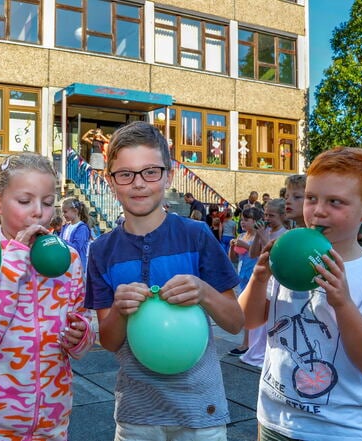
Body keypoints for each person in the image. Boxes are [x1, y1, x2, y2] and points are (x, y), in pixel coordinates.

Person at [85, 121, 243, 440]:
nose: (139, 184)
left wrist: (203, 292)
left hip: (201, 414)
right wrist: (119, 308)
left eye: (150, 171)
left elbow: (235, 322)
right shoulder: (101, 251)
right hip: (136, 416)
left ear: (168, 175)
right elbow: (110, 341)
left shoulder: (196, 236)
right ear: (110, 181)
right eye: (125, 174)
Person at [238, 147, 362, 440]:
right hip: (274, 419)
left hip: (340, 429)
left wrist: (342, 303)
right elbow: (247, 321)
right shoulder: (287, 257)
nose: (318, 210)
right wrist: (259, 277)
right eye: (311, 198)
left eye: (336, 202)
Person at [0, 153, 94, 440]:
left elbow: (83, 322)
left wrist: (81, 336)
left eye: (47, 203)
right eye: (24, 201)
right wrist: (16, 260)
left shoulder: (67, 259)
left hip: (52, 423)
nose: (38, 213)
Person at [239, 199, 287, 368]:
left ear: (282, 216)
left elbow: (275, 256)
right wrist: (259, 236)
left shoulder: (284, 234)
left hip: (275, 280)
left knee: (268, 320)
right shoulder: (264, 231)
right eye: (265, 214)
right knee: (256, 319)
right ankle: (254, 349)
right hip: (262, 280)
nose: (267, 218)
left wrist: (264, 236)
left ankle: (264, 352)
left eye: (271, 215)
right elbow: (253, 254)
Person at [227, 206, 264, 357]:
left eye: (246, 220)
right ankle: (248, 342)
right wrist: (232, 248)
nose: (243, 222)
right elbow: (233, 259)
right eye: (242, 219)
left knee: (248, 310)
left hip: (253, 276)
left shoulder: (259, 237)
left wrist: (246, 246)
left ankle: (246, 344)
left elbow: (259, 254)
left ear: (255, 221)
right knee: (244, 309)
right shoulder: (242, 236)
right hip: (242, 276)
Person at [60, 196, 94, 270]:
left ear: (75, 211)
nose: (63, 214)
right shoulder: (65, 226)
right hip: (66, 266)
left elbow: (76, 248)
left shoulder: (82, 228)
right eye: (62, 212)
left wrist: (60, 241)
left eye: (65, 212)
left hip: (77, 268)